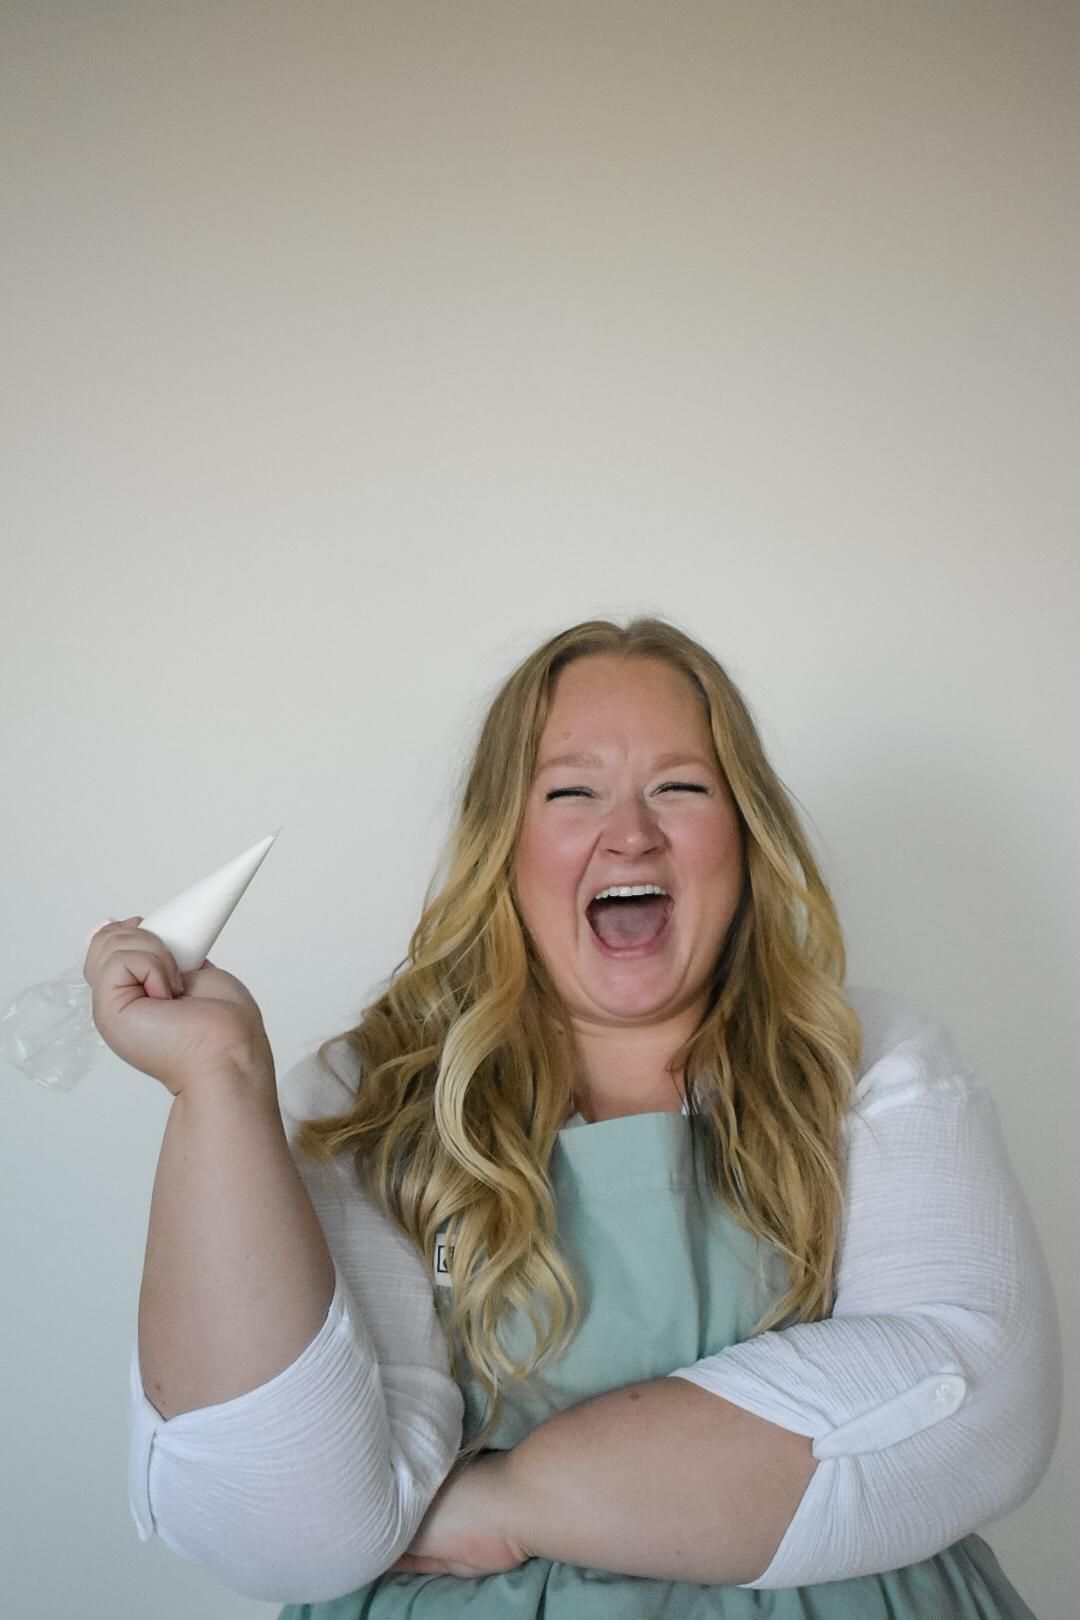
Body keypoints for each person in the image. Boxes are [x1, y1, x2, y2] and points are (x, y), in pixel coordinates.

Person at [86, 617, 1061, 1618]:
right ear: (503, 845)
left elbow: (975, 1398)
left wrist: (513, 1501)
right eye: (571, 792)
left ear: (746, 833)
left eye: (680, 788)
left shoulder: (871, 1061)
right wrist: (219, 1081)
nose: (630, 832)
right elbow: (289, 1525)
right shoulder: (365, 1098)